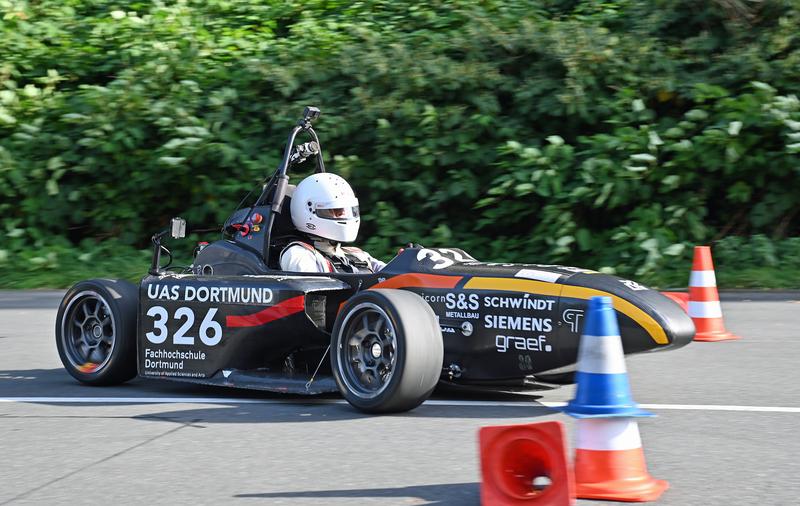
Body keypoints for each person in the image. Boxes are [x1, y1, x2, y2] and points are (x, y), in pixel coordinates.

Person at [280, 173, 386, 273]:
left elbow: (390, 275)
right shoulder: (299, 254)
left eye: (346, 209)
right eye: (336, 210)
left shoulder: (357, 255)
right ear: (309, 212)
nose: (343, 214)